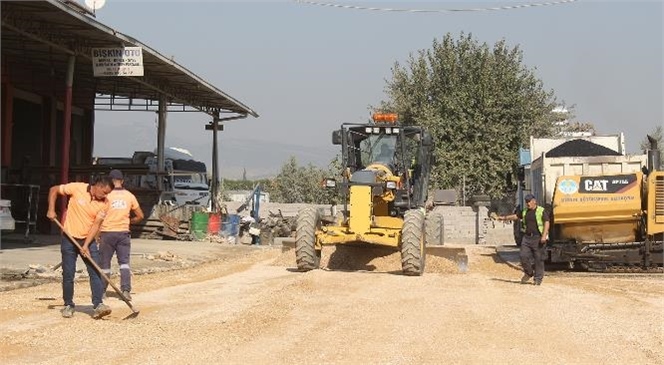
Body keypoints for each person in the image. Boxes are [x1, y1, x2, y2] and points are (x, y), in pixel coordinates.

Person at [46, 175, 114, 319]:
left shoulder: (105, 203)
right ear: (97, 186)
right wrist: (51, 210)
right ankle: (68, 304)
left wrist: (87, 244)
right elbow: (54, 190)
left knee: (95, 271)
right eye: (105, 192)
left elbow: (96, 225)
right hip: (68, 238)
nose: (106, 196)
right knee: (68, 274)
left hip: (87, 239)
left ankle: (98, 304)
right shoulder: (77, 188)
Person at [99, 169, 144, 301]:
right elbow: (140, 216)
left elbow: (97, 215)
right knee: (124, 263)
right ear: (122, 181)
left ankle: (102, 292)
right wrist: (129, 221)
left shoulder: (106, 195)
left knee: (105, 265)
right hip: (123, 233)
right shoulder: (129, 196)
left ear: (109, 181)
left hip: (107, 233)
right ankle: (125, 290)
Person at [498, 194, 550, 285]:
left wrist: (544, 235)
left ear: (534, 201)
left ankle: (538, 279)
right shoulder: (525, 211)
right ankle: (529, 273)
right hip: (527, 238)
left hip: (538, 237)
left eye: (529, 201)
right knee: (523, 256)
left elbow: (546, 222)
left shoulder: (541, 211)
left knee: (538, 259)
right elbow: (516, 216)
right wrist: (504, 218)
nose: (528, 203)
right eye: (526, 202)